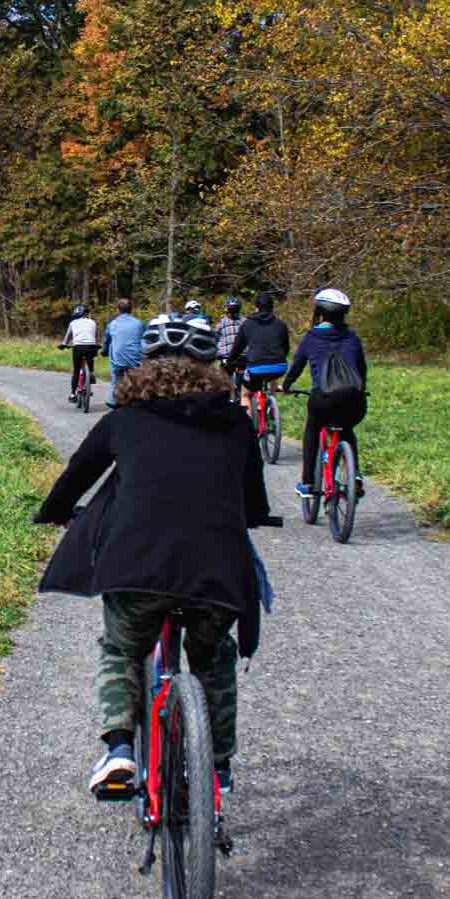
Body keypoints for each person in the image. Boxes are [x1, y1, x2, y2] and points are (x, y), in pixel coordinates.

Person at [33, 314, 272, 796]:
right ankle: (218, 764)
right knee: (213, 657)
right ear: (210, 368)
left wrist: (56, 513)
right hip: (215, 572)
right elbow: (254, 506)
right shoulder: (236, 424)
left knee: (122, 648)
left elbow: (75, 479)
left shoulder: (123, 419)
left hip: (135, 566)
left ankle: (120, 749)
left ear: (144, 366)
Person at [280, 288, 368, 499]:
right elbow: (362, 369)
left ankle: (308, 483)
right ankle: (354, 476)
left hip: (324, 399)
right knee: (347, 429)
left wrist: (286, 385)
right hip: (354, 399)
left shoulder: (311, 337)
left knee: (312, 429)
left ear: (319, 312)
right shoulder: (352, 338)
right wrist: (360, 389)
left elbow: (297, 366)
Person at [226, 292, 291, 414]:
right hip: (280, 367)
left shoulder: (247, 324)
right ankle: (271, 410)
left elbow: (237, 348)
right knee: (272, 377)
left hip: (256, 368)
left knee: (246, 394)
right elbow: (286, 347)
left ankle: (247, 428)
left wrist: (230, 362)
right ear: (272, 307)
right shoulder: (281, 324)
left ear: (256, 308)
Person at [101, 298, 145, 409]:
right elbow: (145, 340)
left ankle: (112, 402)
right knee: (138, 380)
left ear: (118, 310)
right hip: (135, 361)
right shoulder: (139, 323)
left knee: (115, 379)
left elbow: (106, 341)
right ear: (131, 309)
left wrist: (104, 351)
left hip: (118, 362)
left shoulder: (112, 324)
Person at [59, 304, 98, 403]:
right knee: (91, 359)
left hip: (78, 347)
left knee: (76, 370)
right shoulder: (93, 322)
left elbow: (67, 337)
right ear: (86, 313)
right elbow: (94, 335)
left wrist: (64, 344)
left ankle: (72, 394)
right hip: (91, 347)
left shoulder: (73, 323)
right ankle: (91, 374)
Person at [215, 296, 244, 377]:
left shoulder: (244, 322)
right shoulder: (222, 322)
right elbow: (216, 338)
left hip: (239, 356)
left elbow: (215, 338)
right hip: (227, 356)